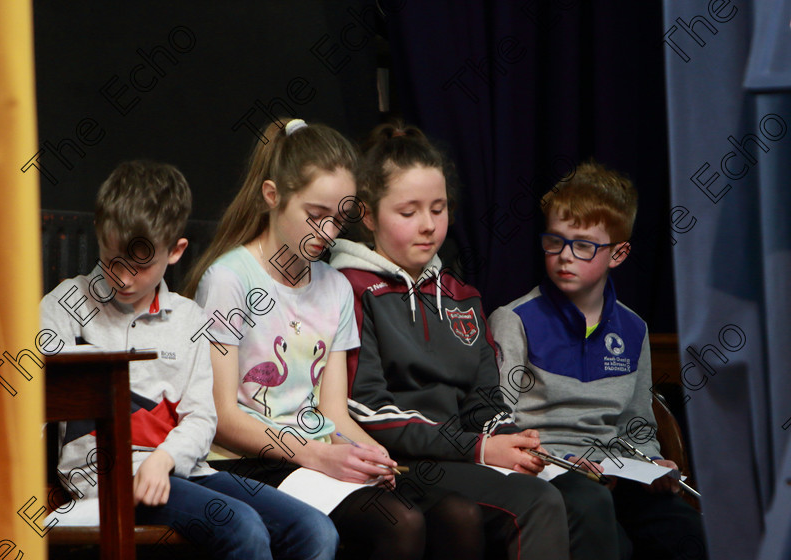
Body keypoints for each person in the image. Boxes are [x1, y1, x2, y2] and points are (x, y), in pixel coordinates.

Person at [185, 118, 484, 560]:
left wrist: (371, 451)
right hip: (247, 461)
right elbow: (224, 416)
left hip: (314, 456)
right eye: (315, 215)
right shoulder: (230, 279)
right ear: (272, 197)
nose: (326, 233)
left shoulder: (335, 287)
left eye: (339, 219)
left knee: (458, 514)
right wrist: (317, 455)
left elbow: (333, 412)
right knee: (399, 522)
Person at [40, 160, 339, 560]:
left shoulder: (188, 319)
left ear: (176, 250)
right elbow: (33, 407)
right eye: (113, 259)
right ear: (99, 236)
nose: (124, 279)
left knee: (315, 531)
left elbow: (202, 417)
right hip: (109, 474)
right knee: (243, 529)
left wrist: (165, 458)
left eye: (141, 265)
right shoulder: (63, 306)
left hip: (184, 468)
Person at [329, 121, 575, 560]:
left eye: (438, 209)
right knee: (538, 503)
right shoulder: (349, 289)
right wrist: (479, 447)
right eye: (409, 213)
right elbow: (366, 408)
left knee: (584, 498)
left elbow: (484, 400)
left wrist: (513, 440)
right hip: (403, 463)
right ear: (367, 215)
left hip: (461, 457)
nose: (427, 226)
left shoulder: (463, 296)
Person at [488, 161, 707, 560]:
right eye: (555, 241)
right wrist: (565, 460)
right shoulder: (515, 320)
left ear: (618, 254)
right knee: (602, 523)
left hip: (616, 476)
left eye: (584, 245)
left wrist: (655, 462)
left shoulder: (633, 328)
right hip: (549, 475)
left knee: (687, 531)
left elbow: (636, 425)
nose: (564, 257)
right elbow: (502, 423)